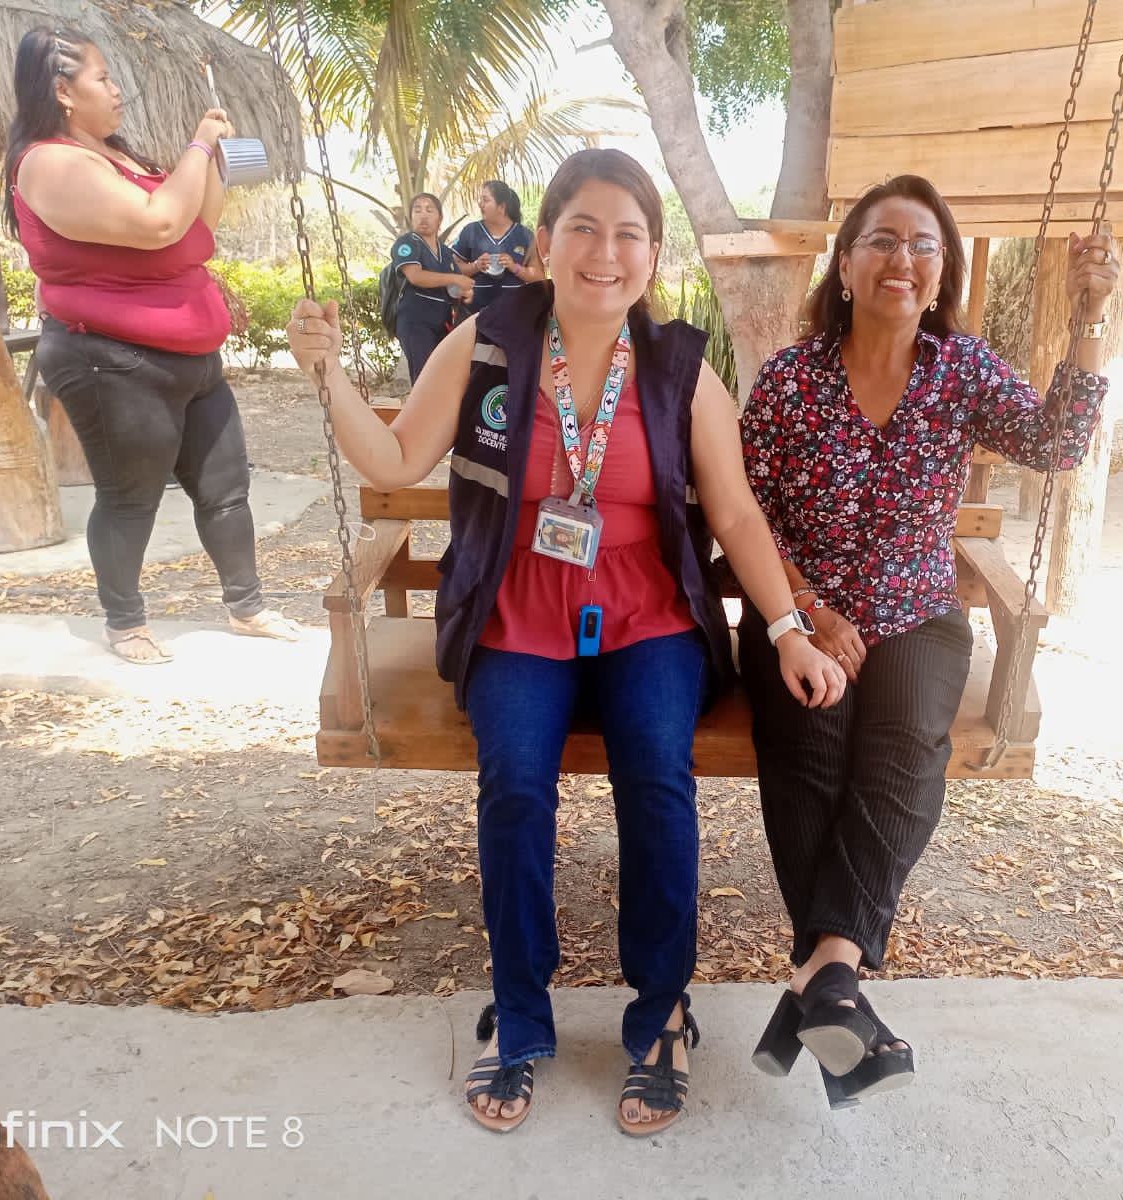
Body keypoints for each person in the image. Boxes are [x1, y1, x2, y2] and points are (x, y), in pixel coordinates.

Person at [285, 148, 845, 1136]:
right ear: (545, 243)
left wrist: (790, 631)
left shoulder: (677, 366)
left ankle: (661, 1010)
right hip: (519, 610)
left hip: (646, 616)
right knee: (512, 784)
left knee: (658, 778)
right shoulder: (488, 343)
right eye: (583, 227)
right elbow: (396, 457)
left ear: (652, 255)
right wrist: (327, 375)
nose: (604, 252)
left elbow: (737, 516)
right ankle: (520, 1011)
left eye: (628, 234)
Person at [737, 174, 1120, 1105]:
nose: (900, 259)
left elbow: (1055, 445)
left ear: (941, 272)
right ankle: (832, 986)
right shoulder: (790, 379)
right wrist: (805, 608)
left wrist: (1088, 318)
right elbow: (743, 508)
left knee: (905, 748)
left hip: (915, 614)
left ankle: (823, 974)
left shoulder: (962, 370)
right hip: (798, 618)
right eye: (880, 240)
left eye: (922, 244)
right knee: (811, 746)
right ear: (845, 264)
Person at [3, 25, 300, 664]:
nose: (117, 91)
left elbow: (196, 227)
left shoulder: (119, 156)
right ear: (63, 92)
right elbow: (158, 222)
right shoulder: (49, 163)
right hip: (111, 359)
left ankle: (247, 605)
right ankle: (125, 621)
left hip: (192, 355)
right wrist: (197, 144)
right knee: (129, 498)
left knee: (225, 487)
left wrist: (212, 159)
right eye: (103, 78)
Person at [390, 191, 471, 382]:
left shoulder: (446, 252)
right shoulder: (407, 243)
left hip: (443, 323)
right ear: (411, 217)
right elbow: (415, 276)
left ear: (440, 218)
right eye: (417, 210)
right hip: (416, 322)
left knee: (443, 379)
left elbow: (454, 288)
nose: (423, 216)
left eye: (429, 210)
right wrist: (455, 279)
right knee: (424, 379)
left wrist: (465, 292)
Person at [453, 179, 538, 313]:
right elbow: (453, 267)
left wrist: (514, 267)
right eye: (480, 200)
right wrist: (475, 266)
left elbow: (538, 276)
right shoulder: (471, 231)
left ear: (501, 207)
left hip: (514, 313)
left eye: (486, 200)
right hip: (474, 314)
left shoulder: (525, 235)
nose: (480, 204)